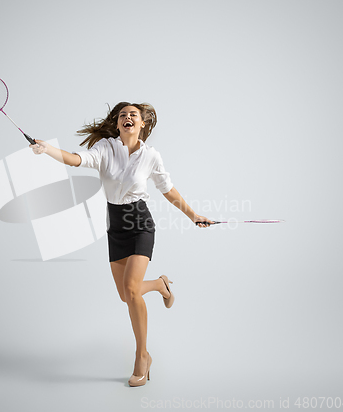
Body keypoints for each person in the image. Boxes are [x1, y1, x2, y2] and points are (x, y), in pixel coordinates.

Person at [29, 102, 213, 386]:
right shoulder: (105, 148)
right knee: (126, 295)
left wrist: (192, 215)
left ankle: (142, 356)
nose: (127, 118)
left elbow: (168, 189)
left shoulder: (151, 155)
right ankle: (160, 285)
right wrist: (47, 149)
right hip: (115, 226)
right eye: (123, 115)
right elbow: (76, 160)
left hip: (140, 223)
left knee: (130, 289)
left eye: (133, 115)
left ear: (142, 124)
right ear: (117, 124)